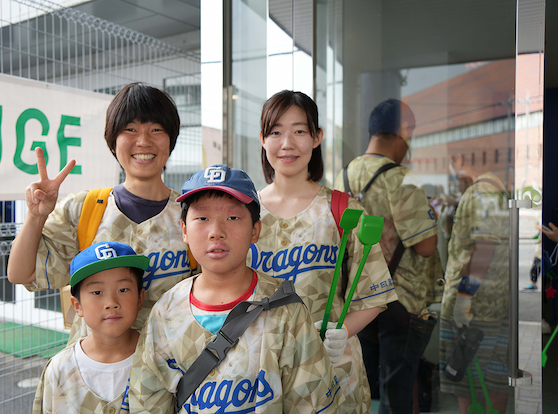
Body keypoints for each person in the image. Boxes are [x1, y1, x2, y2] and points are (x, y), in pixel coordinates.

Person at [129, 165, 344, 413]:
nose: (216, 232)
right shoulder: (165, 313)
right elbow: (146, 403)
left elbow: (312, 405)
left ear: (255, 230)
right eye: (202, 218)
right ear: (184, 231)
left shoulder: (286, 311)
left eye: (232, 218)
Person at [7, 83, 192, 345]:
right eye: (130, 129)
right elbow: (20, 274)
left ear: (170, 139)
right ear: (113, 141)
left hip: (171, 372)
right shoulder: (84, 209)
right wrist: (36, 216)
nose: (143, 141)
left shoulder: (192, 213)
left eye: (156, 129)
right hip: (92, 374)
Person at [250, 90, 397, 414]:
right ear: (262, 138)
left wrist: (343, 333)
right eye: (276, 131)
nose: (287, 143)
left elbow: (374, 293)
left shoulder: (343, 209)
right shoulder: (242, 212)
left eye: (299, 131)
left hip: (333, 370)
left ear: (317, 137)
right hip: (258, 371)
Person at [333, 98, 439, 414]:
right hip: (402, 301)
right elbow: (426, 246)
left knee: (368, 385)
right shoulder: (400, 178)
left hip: (360, 299)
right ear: (401, 133)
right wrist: (429, 213)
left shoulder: (344, 176)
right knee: (399, 391)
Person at [32, 241, 149, 413]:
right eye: (97, 292)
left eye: (123, 290)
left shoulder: (158, 356)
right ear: (77, 305)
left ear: (140, 298)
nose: (111, 303)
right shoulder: (60, 368)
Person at [439, 153, 510, 414]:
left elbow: (484, 247)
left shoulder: (480, 193)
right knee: (493, 379)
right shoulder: (494, 191)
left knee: (467, 383)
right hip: (492, 305)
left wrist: (465, 296)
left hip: (475, 309)